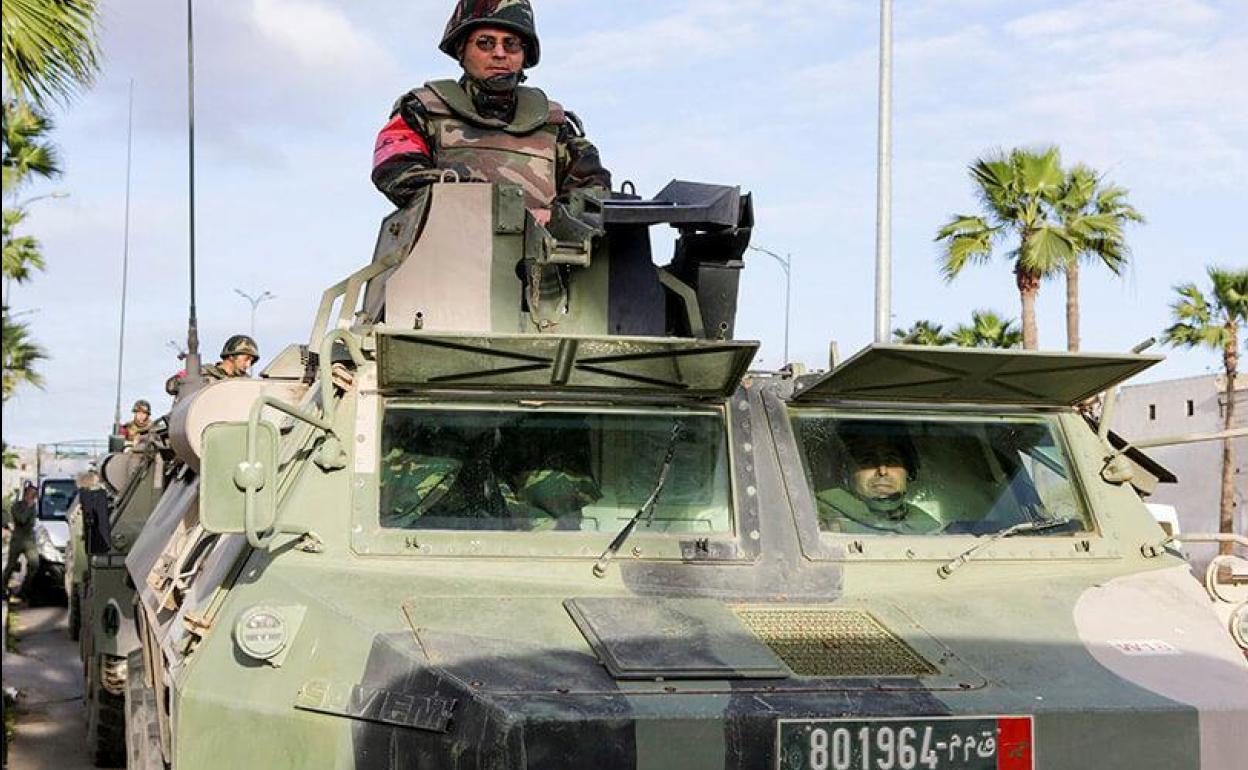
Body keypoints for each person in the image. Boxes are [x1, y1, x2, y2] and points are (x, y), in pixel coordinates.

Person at [371, 0, 611, 223]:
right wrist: (491, 205)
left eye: (511, 44)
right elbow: (395, 171)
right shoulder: (423, 110)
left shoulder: (553, 124)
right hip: (447, 245)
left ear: (524, 55)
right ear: (462, 49)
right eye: (485, 43)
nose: (499, 53)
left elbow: (593, 190)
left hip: (540, 253)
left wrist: (556, 217)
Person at [815, 423, 944, 535]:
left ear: (908, 471)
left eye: (892, 461)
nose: (882, 471)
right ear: (845, 473)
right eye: (868, 461)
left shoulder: (926, 527)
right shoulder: (819, 517)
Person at [165, 335, 260, 396]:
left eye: (251, 361)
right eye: (246, 359)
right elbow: (171, 386)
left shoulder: (246, 383)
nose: (248, 365)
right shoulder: (202, 372)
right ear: (231, 356)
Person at [3, 483, 40, 599]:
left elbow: (33, 523)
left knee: (34, 564)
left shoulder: (33, 506)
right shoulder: (16, 506)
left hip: (29, 540)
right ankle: (3, 587)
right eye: (31, 494)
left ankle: (25, 589)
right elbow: (22, 519)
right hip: (18, 540)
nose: (32, 497)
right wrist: (29, 507)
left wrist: (31, 506)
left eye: (34, 495)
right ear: (25, 494)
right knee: (11, 566)